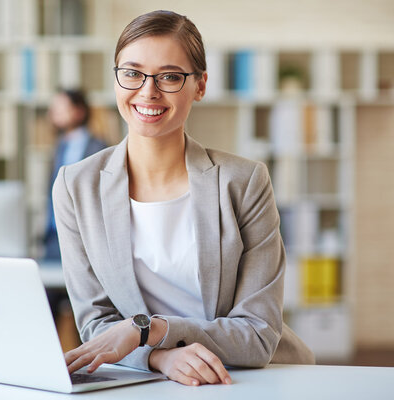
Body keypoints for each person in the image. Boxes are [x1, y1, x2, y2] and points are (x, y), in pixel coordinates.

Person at [52, 10, 315, 387]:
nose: (148, 91)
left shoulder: (244, 182)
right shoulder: (76, 186)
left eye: (170, 76)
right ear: (115, 79)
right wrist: (160, 358)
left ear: (200, 85)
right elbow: (97, 324)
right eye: (132, 73)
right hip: (150, 382)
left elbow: (258, 334)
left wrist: (152, 330)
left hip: (254, 380)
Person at [44, 89, 106, 260]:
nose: (53, 113)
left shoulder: (99, 148)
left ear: (79, 111)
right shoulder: (58, 147)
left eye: (61, 108)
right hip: (53, 235)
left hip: (84, 237)